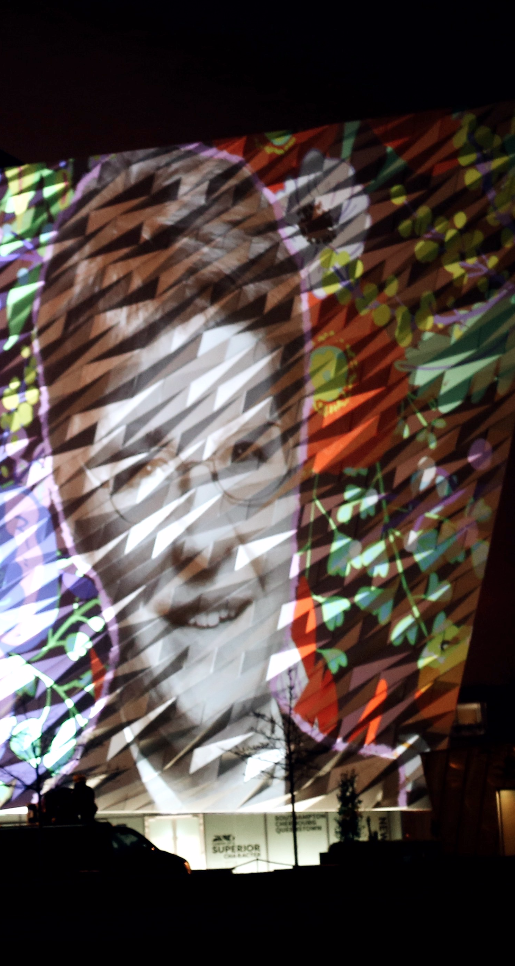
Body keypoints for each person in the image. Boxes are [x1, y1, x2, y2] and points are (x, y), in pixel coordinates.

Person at [39, 146, 309, 815]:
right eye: (145, 470)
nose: (206, 539)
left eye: (245, 453)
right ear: (71, 503)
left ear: (297, 470)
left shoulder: (394, 795)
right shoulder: (53, 816)